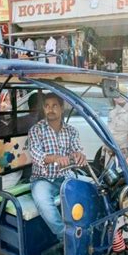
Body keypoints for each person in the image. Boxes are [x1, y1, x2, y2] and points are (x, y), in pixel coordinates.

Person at [28, 93, 87, 242]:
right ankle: (66, 238)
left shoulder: (71, 131)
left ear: (61, 108)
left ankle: (84, 229)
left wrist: (78, 155)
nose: (50, 109)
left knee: (89, 191)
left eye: (54, 105)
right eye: (47, 106)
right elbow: (35, 155)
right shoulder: (36, 130)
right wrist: (55, 158)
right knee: (44, 204)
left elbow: (76, 149)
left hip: (66, 176)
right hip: (42, 179)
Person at [107, 85, 128, 172]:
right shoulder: (112, 112)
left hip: (123, 155)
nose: (116, 97)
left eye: (120, 95)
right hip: (111, 155)